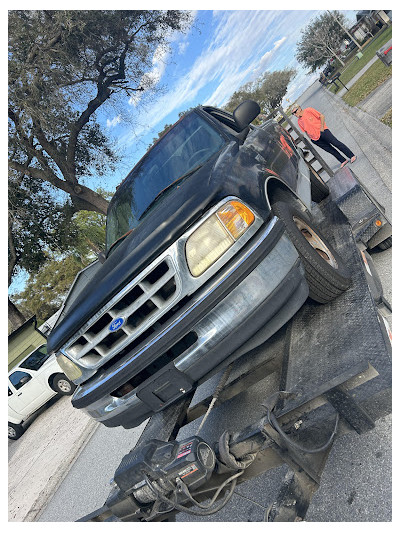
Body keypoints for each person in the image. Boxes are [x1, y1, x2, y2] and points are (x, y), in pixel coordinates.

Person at [292, 105, 357, 168]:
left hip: (323, 131)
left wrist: (322, 128)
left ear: (299, 108)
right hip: (315, 139)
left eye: (295, 112)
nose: (295, 114)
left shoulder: (309, 110)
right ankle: (343, 160)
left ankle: (351, 156)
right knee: (330, 150)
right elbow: (305, 131)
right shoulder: (299, 121)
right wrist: (311, 139)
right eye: (293, 113)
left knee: (336, 143)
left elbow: (321, 116)